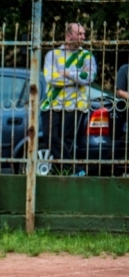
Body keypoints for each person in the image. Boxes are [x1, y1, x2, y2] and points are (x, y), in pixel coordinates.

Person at [40, 23, 97, 176]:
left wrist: (67, 73)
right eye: (80, 34)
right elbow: (50, 78)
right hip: (53, 102)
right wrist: (77, 76)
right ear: (69, 35)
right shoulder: (52, 55)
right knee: (50, 137)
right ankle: (76, 169)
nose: (83, 37)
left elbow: (89, 77)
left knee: (67, 140)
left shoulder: (87, 56)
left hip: (75, 104)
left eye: (84, 34)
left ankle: (62, 172)